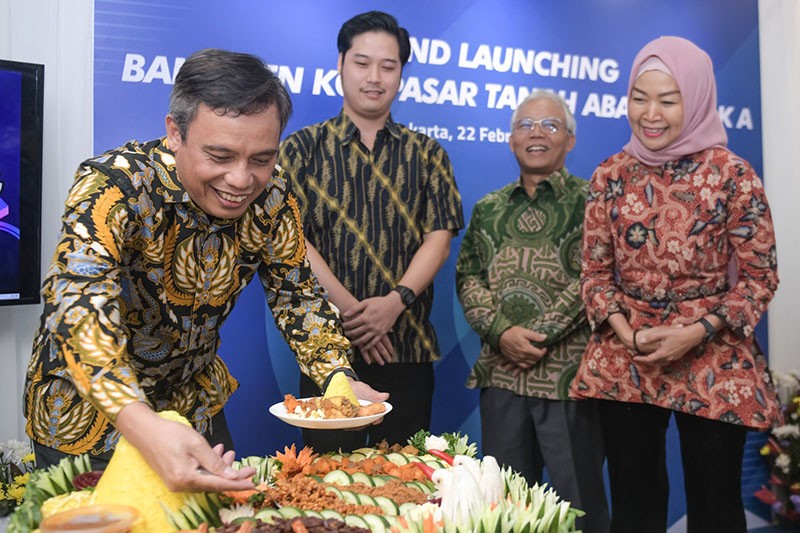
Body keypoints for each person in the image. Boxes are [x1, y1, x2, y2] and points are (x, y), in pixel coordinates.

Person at [23, 48, 386, 493]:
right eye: (220, 155)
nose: (241, 180)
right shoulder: (115, 186)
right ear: (175, 132)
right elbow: (77, 303)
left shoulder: (273, 197)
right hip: (91, 411)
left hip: (192, 401)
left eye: (261, 159)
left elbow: (298, 293)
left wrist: (338, 379)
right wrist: (139, 421)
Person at [570, 36, 781, 533]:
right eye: (640, 97)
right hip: (629, 351)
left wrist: (695, 330)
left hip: (711, 349)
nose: (651, 113)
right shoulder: (610, 175)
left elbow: (759, 277)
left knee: (715, 504)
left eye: (668, 99)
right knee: (635, 501)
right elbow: (595, 274)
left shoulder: (733, 176)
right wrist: (628, 333)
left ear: (697, 97)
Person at [278, 11, 464, 452]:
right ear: (341, 63)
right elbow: (291, 239)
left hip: (408, 347)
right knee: (325, 478)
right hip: (327, 352)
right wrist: (356, 315)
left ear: (401, 72)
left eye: (388, 65)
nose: (374, 77)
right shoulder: (300, 150)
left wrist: (393, 304)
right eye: (362, 63)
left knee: (403, 476)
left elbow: (439, 239)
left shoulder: (427, 153)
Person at [455, 91, 610, 533]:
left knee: (578, 508)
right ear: (510, 140)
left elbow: (594, 278)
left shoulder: (592, 202)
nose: (536, 134)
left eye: (550, 126)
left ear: (571, 141)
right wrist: (503, 333)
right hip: (502, 376)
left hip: (568, 379)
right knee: (502, 508)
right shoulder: (488, 208)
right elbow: (468, 277)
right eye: (525, 125)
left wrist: (536, 335)